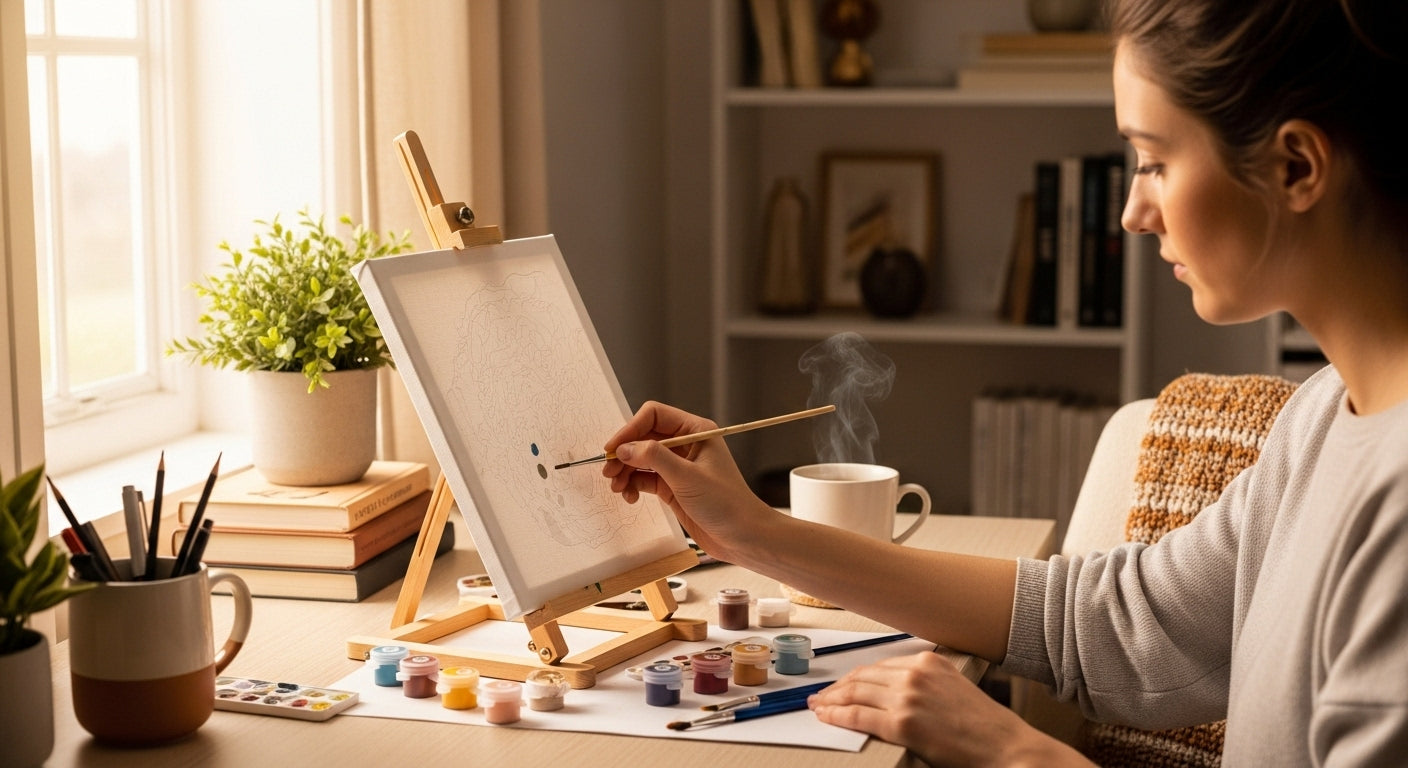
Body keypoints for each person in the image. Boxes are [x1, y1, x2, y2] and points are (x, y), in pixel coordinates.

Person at [601, 1, 1408, 765]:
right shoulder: (1323, 419)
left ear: (1298, 165)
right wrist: (752, 531)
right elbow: (1112, 626)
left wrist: (1010, 751)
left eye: (1156, 162)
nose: (1132, 211)